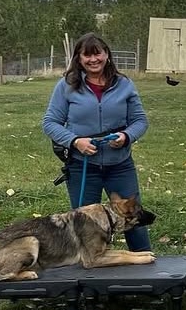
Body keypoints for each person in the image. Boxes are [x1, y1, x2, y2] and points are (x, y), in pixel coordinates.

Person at [42, 32, 153, 252]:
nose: (93, 60)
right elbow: (50, 123)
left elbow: (140, 121)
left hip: (120, 166)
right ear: (79, 59)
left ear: (107, 55)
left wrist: (126, 136)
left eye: (98, 54)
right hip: (82, 166)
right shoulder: (66, 86)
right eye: (87, 55)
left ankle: (146, 268)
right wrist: (75, 141)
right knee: (85, 225)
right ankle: (88, 274)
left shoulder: (124, 84)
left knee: (134, 220)